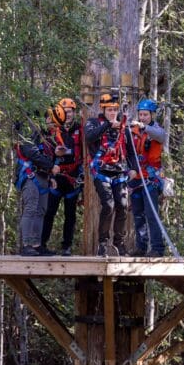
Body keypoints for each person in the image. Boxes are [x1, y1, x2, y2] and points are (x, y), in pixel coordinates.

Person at [15, 106, 65, 256]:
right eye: (54, 124)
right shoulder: (29, 130)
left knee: (41, 210)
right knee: (31, 208)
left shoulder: (45, 135)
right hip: (30, 174)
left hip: (44, 176)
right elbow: (31, 153)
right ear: (48, 119)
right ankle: (26, 245)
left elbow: (47, 154)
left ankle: (37, 245)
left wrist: (52, 174)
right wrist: (51, 167)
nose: (55, 128)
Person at [85, 93, 130, 256]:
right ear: (102, 109)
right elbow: (89, 137)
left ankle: (119, 242)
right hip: (101, 171)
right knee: (109, 205)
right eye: (109, 110)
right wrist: (108, 125)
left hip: (120, 171)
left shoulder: (122, 126)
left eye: (115, 110)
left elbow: (129, 149)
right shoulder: (93, 123)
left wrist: (131, 168)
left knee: (123, 206)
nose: (112, 113)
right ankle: (102, 243)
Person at [41, 98, 83, 256]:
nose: (68, 114)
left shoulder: (80, 129)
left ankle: (67, 246)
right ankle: (42, 244)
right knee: (49, 212)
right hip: (56, 177)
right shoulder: (53, 129)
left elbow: (85, 151)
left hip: (73, 178)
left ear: (74, 112)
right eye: (65, 112)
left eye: (70, 112)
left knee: (70, 215)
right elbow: (46, 151)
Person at [127, 99, 166, 257]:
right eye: (141, 115)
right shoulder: (133, 131)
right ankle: (141, 247)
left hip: (150, 178)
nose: (142, 117)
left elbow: (161, 137)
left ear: (152, 115)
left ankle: (157, 248)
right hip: (136, 178)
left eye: (145, 115)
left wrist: (145, 127)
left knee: (151, 214)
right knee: (138, 214)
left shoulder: (155, 130)